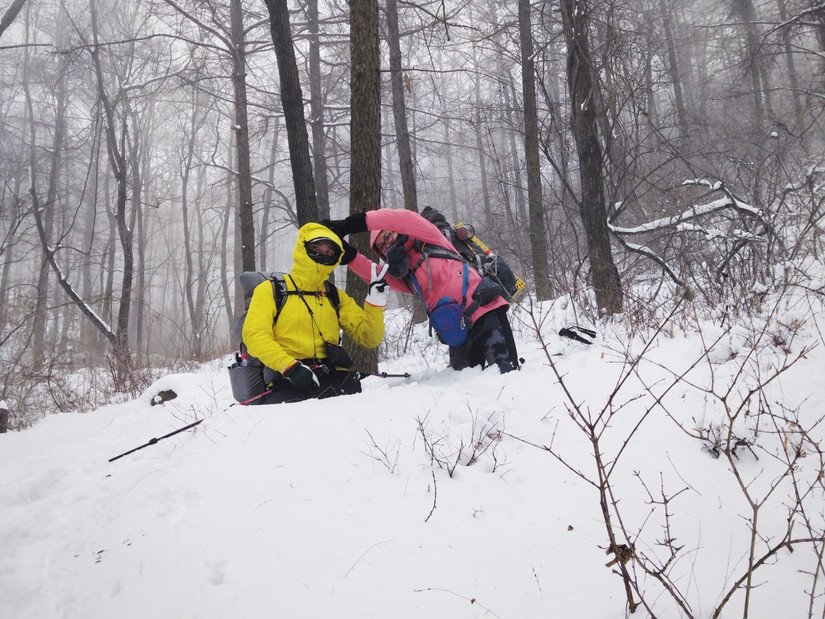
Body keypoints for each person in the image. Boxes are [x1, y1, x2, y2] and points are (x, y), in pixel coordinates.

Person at [322, 209, 520, 374]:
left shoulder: (430, 237)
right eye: (381, 246)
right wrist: (344, 253)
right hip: (458, 329)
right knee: (465, 386)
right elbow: (373, 273)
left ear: (399, 231)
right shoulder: (407, 276)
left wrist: (349, 225)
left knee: (506, 376)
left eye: (388, 237)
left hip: (486, 311)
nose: (387, 245)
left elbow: (404, 218)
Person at [241, 222, 389, 404]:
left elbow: (369, 337)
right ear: (303, 248)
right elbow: (255, 336)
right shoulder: (271, 290)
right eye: (316, 247)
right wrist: (290, 367)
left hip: (333, 378)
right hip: (286, 380)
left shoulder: (334, 295)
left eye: (329, 252)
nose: (322, 254)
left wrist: (375, 303)